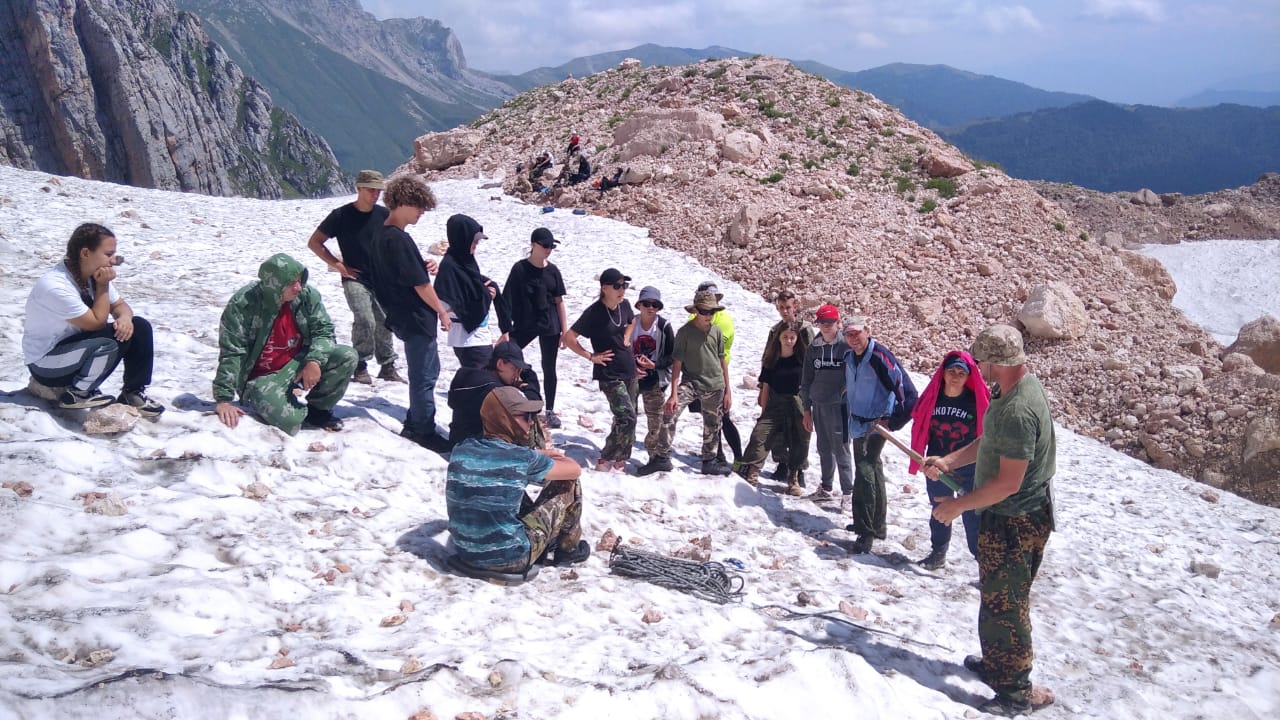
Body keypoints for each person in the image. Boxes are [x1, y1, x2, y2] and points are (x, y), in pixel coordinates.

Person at [924, 324, 1056, 717]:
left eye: (981, 360)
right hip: (1004, 516)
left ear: (997, 362)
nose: (977, 366)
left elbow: (1008, 483)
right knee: (996, 598)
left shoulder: (1018, 410)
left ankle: (1015, 693)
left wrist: (957, 506)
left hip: (1016, 521)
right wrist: (949, 459)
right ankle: (999, 665)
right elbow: (989, 441)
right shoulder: (1011, 391)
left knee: (1008, 605)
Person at [446, 386, 590, 575]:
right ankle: (568, 550)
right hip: (511, 559)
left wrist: (536, 454)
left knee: (498, 484)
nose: (532, 423)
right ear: (504, 418)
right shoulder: (521, 457)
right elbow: (574, 470)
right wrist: (547, 454)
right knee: (568, 483)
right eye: (526, 416)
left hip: (464, 552)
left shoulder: (462, 448)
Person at [23, 222, 164, 416]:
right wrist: (103, 286)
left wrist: (124, 318)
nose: (113, 260)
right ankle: (78, 393)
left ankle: (133, 392)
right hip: (45, 362)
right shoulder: (55, 286)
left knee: (139, 326)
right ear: (85, 253)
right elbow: (96, 323)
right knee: (107, 342)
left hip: (73, 350)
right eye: (108, 254)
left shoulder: (90, 276)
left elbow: (121, 306)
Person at [213, 253, 357, 434]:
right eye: (291, 283)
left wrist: (314, 361)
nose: (298, 287)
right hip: (262, 377)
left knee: (347, 356)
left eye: (299, 280)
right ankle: (291, 407)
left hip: (298, 361)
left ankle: (318, 411)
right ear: (275, 285)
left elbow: (324, 331)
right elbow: (232, 352)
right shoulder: (243, 305)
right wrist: (223, 399)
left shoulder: (306, 296)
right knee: (290, 423)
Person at [364, 174, 453, 453]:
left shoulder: (382, 235)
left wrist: (419, 263)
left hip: (401, 315)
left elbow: (402, 273)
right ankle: (422, 428)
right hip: (415, 317)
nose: (421, 212)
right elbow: (420, 284)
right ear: (402, 203)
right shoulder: (398, 239)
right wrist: (441, 311)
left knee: (426, 370)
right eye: (418, 206)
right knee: (424, 374)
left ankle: (416, 419)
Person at [306, 169, 403, 385]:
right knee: (365, 319)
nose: (375, 194)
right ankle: (360, 364)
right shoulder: (340, 216)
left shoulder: (384, 215)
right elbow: (315, 242)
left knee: (385, 321)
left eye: (378, 190)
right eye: (370, 189)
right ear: (358, 189)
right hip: (355, 277)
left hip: (382, 279)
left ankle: (387, 366)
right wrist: (339, 266)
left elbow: (395, 243)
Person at [842, 314, 917, 554]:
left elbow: (908, 393)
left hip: (875, 425)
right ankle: (877, 524)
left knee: (864, 471)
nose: (853, 339)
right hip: (858, 421)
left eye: (857, 333)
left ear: (868, 331)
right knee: (872, 469)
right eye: (848, 334)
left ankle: (866, 532)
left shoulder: (879, 356)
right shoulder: (852, 357)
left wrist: (893, 422)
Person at [909, 351, 989, 569]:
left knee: (972, 514)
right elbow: (919, 421)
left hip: (968, 466)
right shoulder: (933, 398)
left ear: (969, 376)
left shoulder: (975, 402)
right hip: (936, 463)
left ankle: (983, 564)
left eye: (961, 372)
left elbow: (985, 436)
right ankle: (938, 553)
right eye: (951, 371)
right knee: (940, 508)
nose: (955, 376)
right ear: (943, 373)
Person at [563, 268, 637, 473]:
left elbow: (632, 321)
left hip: (629, 370)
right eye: (617, 286)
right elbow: (569, 338)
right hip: (608, 373)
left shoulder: (625, 305)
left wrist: (627, 337)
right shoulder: (594, 312)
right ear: (604, 288)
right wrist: (590, 356)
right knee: (626, 417)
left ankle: (616, 461)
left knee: (626, 417)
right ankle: (608, 457)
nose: (622, 290)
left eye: (624, 285)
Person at [663, 289, 733, 476]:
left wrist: (728, 391)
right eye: (704, 311)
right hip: (691, 382)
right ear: (695, 311)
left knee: (713, 424)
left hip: (716, 385)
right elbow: (677, 362)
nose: (708, 316)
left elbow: (722, 360)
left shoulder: (717, 332)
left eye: (712, 312)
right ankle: (661, 457)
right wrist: (673, 394)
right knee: (670, 413)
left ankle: (709, 460)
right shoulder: (684, 333)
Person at [504, 228, 568, 428]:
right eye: (545, 245)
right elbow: (507, 300)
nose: (549, 250)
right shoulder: (519, 269)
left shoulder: (553, 271)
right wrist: (505, 330)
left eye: (552, 246)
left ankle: (549, 410)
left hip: (549, 323)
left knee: (549, 367)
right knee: (507, 357)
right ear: (533, 245)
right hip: (525, 322)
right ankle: (506, 398)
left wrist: (565, 331)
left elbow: (559, 302)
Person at [739, 322, 811, 494]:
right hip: (776, 403)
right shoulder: (771, 360)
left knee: (799, 439)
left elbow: (810, 385)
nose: (788, 340)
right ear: (778, 338)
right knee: (760, 436)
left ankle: (793, 478)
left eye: (792, 337)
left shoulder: (804, 359)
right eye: (785, 337)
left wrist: (809, 410)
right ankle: (752, 472)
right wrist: (763, 412)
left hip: (798, 404)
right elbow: (766, 386)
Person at [434, 213, 510, 369]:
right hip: (469, 340)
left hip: (475, 338)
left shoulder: (464, 261)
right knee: (483, 383)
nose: (476, 244)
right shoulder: (450, 267)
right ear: (462, 238)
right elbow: (456, 303)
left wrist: (487, 290)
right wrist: (486, 296)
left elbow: (474, 286)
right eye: (474, 240)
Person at [800, 304, 852, 508]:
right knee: (823, 447)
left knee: (841, 449)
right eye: (822, 322)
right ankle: (826, 487)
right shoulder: (814, 347)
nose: (826, 326)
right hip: (819, 404)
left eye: (830, 322)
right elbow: (807, 378)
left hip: (840, 407)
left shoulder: (846, 346)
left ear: (838, 322)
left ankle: (848, 493)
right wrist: (806, 408)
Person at [685, 280, 742, 466]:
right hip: (699, 375)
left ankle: (738, 459)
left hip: (715, 376)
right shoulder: (696, 319)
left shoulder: (723, 320)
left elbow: (714, 351)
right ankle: (718, 454)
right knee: (711, 417)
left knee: (722, 418)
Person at [760, 290, 813, 481]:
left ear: (795, 306)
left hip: (798, 388)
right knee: (779, 429)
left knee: (800, 430)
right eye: (781, 308)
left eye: (788, 307)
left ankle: (799, 470)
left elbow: (811, 358)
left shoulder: (804, 329)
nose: (784, 311)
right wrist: (763, 386)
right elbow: (768, 357)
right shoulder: (775, 330)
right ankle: (782, 464)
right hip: (777, 386)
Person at [448, 340, 543, 445]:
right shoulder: (495, 390)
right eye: (514, 369)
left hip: (460, 441)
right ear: (500, 364)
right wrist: (529, 377)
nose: (517, 375)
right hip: (476, 449)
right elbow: (534, 405)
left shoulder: (477, 378)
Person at [629, 286, 676, 476]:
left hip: (654, 380)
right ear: (639, 305)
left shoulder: (664, 327)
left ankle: (654, 459)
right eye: (647, 304)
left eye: (655, 305)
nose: (651, 308)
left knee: (655, 422)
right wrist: (633, 365)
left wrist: (653, 365)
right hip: (632, 377)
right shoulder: (631, 322)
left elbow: (672, 356)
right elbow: (621, 347)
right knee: (626, 419)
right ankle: (620, 455)